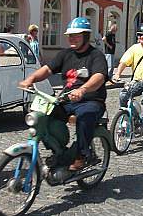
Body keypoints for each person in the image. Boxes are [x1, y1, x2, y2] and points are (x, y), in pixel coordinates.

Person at [19, 17, 107, 171]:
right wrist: (31, 79)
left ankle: (82, 156)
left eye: (77, 35)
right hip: (66, 99)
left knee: (85, 116)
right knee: (43, 117)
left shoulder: (96, 55)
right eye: (70, 35)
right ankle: (58, 150)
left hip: (91, 100)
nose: (72, 38)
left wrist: (83, 90)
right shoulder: (65, 54)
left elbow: (99, 77)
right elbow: (47, 69)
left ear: (86, 36)